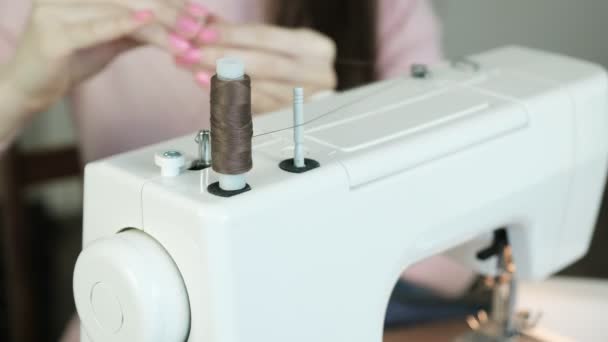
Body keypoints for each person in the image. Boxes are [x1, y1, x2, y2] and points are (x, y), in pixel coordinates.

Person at [0, 0, 476, 340]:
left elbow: (451, 222)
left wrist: (335, 123)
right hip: (151, 305)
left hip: (372, 300)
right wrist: (16, 92)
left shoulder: (382, 8)